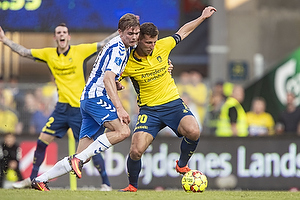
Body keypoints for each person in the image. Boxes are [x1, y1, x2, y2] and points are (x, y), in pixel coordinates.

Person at [0, 23, 119, 190]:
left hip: (79, 109)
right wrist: (4, 40)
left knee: (89, 147)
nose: (62, 35)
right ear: (55, 37)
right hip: (61, 109)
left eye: (64, 32)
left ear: (68, 36)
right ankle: (33, 180)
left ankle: (106, 183)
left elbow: (103, 43)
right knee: (42, 141)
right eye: (58, 33)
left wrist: (120, 32)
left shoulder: (80, 51)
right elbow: (24, 52)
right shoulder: (49, 54)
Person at [30, 13, 140, 191]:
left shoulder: (119, 45)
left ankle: (41, 180)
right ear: (120, 32)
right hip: (96, 98)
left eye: (136, 33)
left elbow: (105, 73)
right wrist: (119, 108)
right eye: (130, 33)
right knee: (123, 130)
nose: (134, 37)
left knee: (83, 154)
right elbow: (107, 78)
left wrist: (115, 83)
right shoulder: (119, 48)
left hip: (88, 99)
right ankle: (79, 161)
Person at [117, 6, 216, 192]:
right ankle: (132, 186)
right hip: (149, 110)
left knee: (194, 131)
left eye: (154, 42)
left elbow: (183, 31)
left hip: (173, 104)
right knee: (136, 151)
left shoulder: (163, 46)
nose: (152, 46)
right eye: (148, 43)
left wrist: (202, 17)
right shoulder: (127, 62)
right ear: (138, 40)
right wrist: (118, 85)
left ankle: (182, 164)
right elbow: (112, 79)